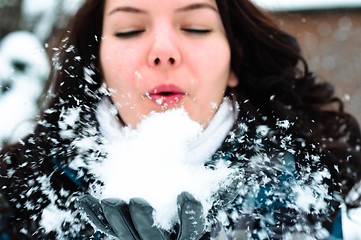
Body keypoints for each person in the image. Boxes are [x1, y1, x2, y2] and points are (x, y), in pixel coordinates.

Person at [1, 0, 361, 239]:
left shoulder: (333, 195)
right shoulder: (17, 200)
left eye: (195, 27)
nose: (162, 52)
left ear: (234, 61)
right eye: (129, 30)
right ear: (98, 64)